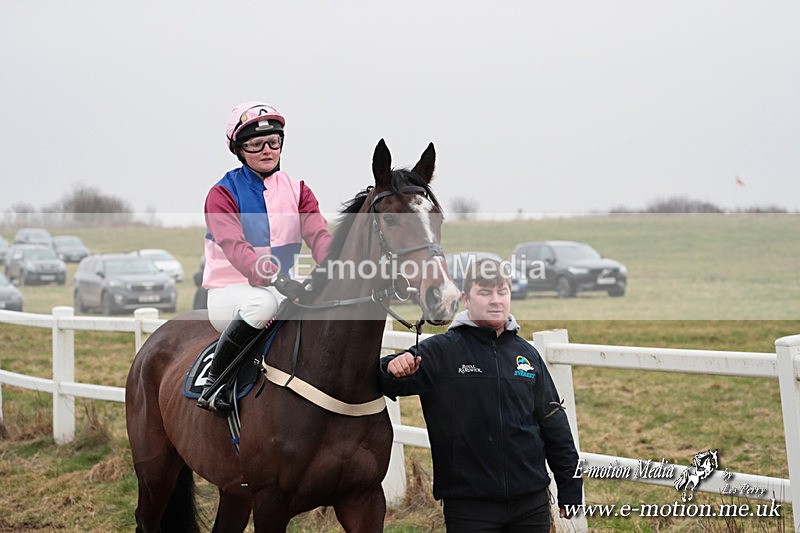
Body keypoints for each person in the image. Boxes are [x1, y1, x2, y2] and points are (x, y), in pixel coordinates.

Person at [379, 257, 582, 532]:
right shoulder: (441, 352)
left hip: (531, 501)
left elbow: (553, 421)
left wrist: (570, 487)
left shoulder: (527, 355)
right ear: (465, 298)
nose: (496, 300)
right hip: (470, 506)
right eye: (485, 292)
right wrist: (391, 368)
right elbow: (389, 381)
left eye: (502, 292)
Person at [198, 101, 332, 415]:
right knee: (264, 305)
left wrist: (334, 265)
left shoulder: (299, 190)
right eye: (256, 144)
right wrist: (277, 278)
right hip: (231, 292)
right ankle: (215, 379)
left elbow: (319, 235)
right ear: (239, 149)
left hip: (280, 285)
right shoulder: (222, 194)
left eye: (274, 142)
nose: (267, 149)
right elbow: (235, 247)